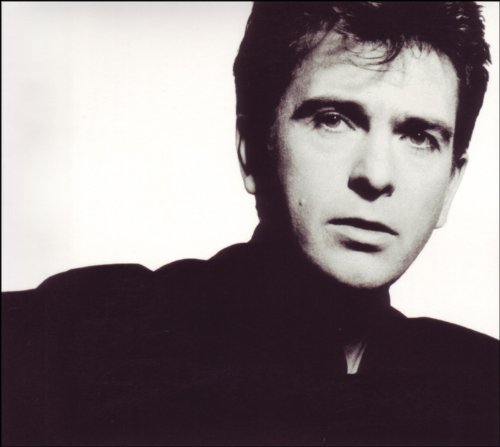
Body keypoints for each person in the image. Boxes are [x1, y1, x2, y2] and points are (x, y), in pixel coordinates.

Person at [2, 2, 498, 446]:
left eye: (419, 136)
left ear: (451, 184)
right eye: (332, 119)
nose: (376, 174)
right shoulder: (70, 340)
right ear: (252, 150)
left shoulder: (482, 390)